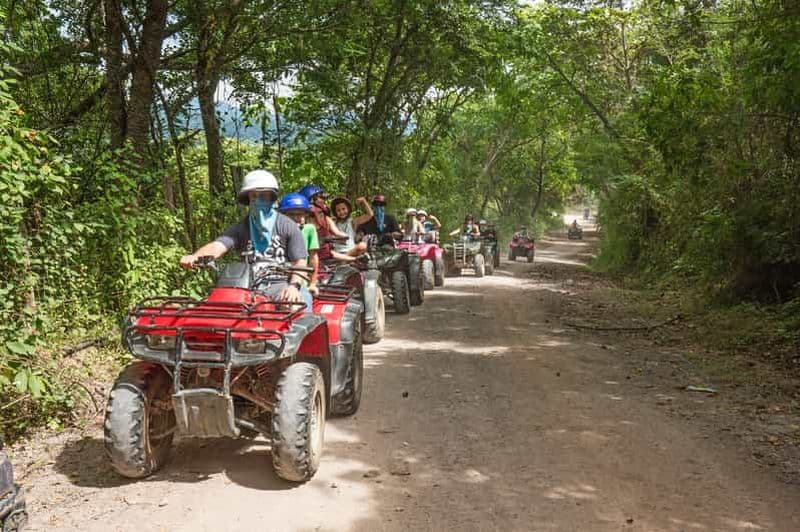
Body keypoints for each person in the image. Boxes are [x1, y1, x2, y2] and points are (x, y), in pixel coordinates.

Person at [179, 169, 307, 304]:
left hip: (279, 285)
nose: (258, 200)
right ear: (248, 199)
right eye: (254, 196)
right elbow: (219, 245)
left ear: (271, 197)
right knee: (217, 308)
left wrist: (293, 286)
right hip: (246, 286)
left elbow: (300, 262)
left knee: (292, 306)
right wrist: (195, 257)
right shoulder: (241, 227)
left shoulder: (287, 225)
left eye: (263, 196)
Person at [299, 184, 363, 262]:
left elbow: (338, 235)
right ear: (312, 200)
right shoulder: (304, 222)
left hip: (329, 258)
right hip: (314, 262)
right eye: (321, 197)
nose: (324, 200)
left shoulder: (327, 219)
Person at [278, 193, 319, 309]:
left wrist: (313, 283)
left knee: (303, 310)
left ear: (305, 215)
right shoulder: (278, 230)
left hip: (300, 282)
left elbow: (313, 258)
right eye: (291, 215)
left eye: (300, 214)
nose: (296, 217)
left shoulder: (309, 229)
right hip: (278, 281)